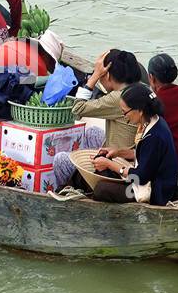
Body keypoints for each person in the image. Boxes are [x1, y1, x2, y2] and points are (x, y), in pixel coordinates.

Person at [49, 48, 142, 190]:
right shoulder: (141, 89)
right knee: (93, 132)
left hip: (120, 164)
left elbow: (77, 109)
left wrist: (94, 76)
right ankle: (85, 178)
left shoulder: (118, 98)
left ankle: (76, 192)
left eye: (102, 75)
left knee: (61, 160)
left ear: (108, 75)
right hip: (132, 155)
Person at [89, 82, 178, 205]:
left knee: (101, 189)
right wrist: (118, 152)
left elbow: (141, 178)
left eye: (125, 112)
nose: (124, 116)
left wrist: (110, 164)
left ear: (140, 110)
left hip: (155, 191)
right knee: (103, 170)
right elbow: (146, 155)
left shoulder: (153, 136)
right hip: (146, 177)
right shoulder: (154, 120)